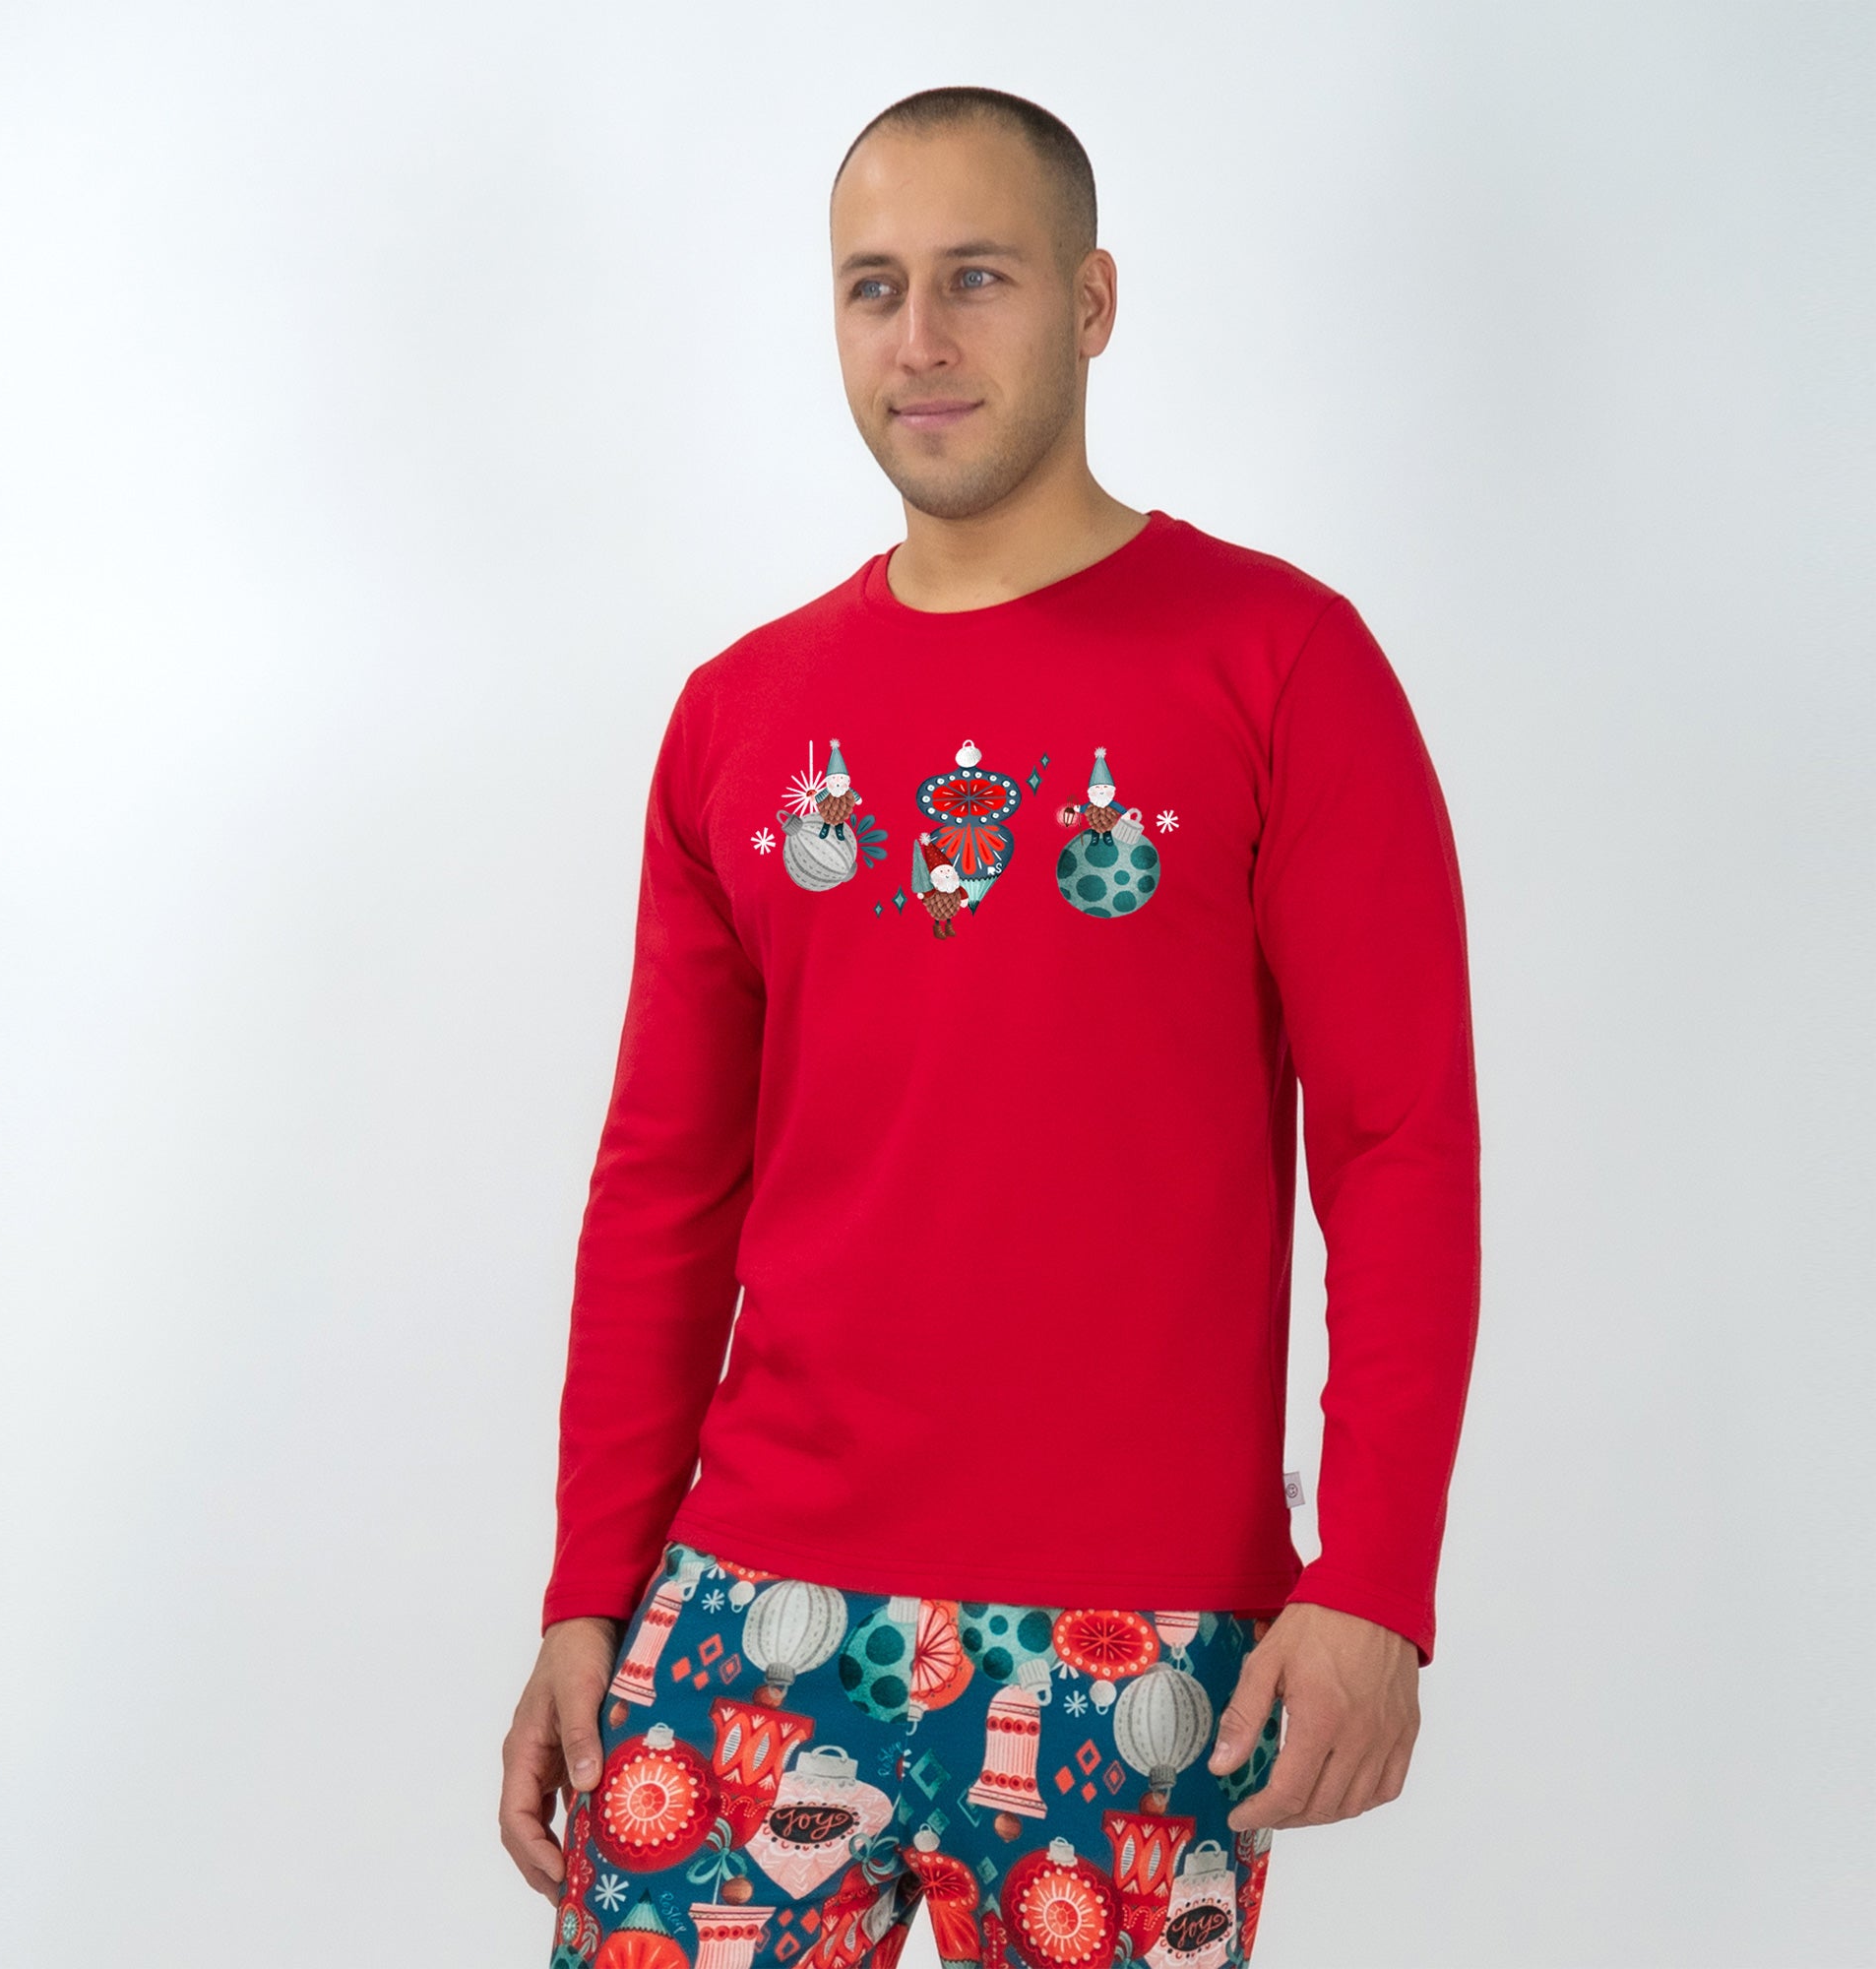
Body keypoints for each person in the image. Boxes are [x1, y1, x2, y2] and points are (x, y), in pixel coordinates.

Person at [501, 86, 1480, 1968]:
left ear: (1092, 303)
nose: (922, 339)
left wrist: (1377, 1580)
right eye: (874, 287)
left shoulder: (1281, 664)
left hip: (1146, 1641)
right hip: (748, 1607)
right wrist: (586, 1591)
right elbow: (665, 1185)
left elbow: (1399, 1144)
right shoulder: (737, 716)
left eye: (979, 278)